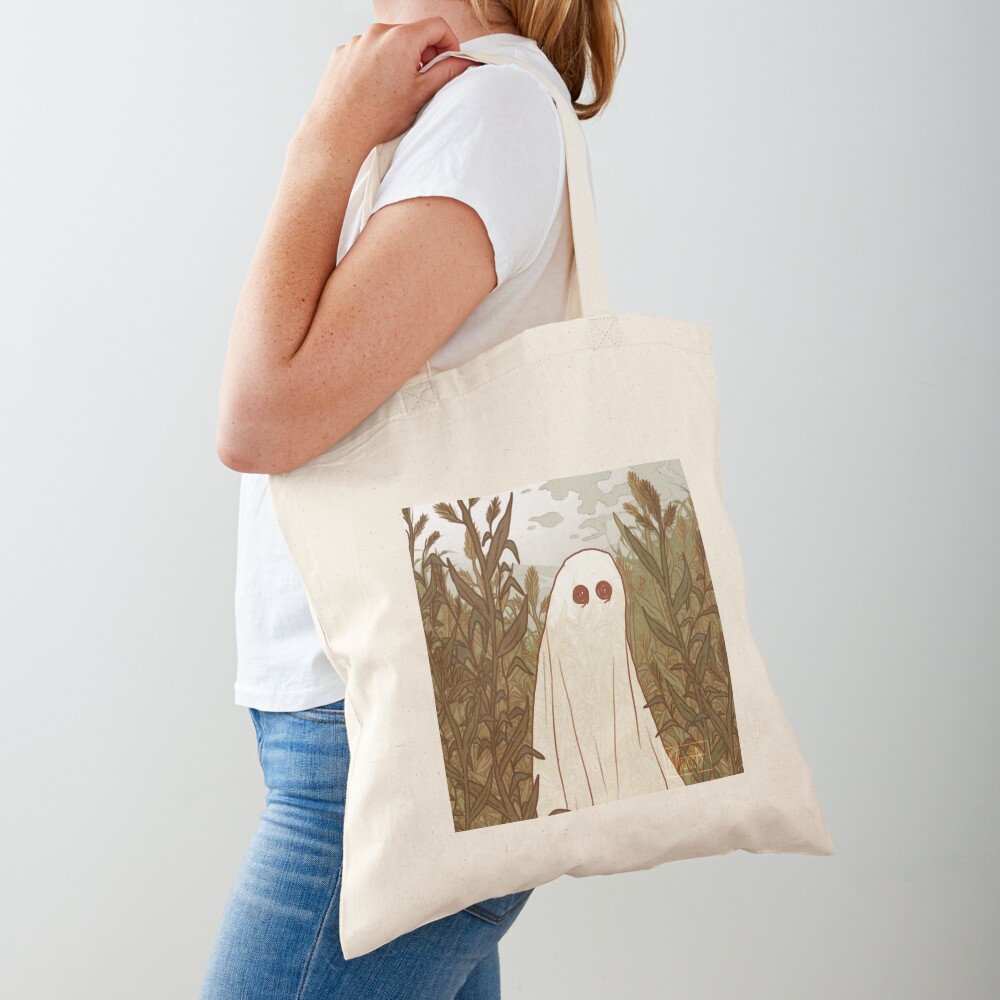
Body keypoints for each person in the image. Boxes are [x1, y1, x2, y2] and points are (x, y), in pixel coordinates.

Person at [203, 1, 624, 996]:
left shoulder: (490, 111)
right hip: (373, 732)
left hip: (392, 753)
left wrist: (325, 139)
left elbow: (260, 417)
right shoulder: (448, 107)